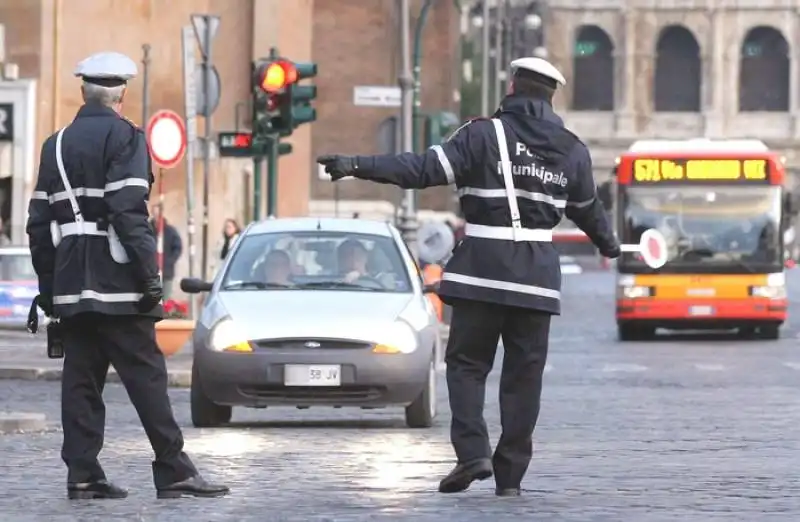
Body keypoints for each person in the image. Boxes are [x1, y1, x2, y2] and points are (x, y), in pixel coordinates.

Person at [318, 56, 620, 497]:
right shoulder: (572, 150)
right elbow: (588, 209)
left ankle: (472, 452)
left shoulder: (481, 135)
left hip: (482, 271)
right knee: (523, 379)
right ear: (551, 95)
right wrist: (609, 243)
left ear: (513, 86)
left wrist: (355, 164)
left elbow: (420, 170)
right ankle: (511, 480)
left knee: (467, 365)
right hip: (536, 280)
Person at [26, 51, 229, 500]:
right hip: (119, 284)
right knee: (147, 378)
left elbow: (38, 224)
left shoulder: (53, 144)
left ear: (84, 91)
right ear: (122, 95)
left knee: (81, 382)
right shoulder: (127, 138)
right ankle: (174, 470)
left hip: (72, 285)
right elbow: (127, 213)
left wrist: (48, 290)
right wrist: (149, 276)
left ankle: (82, 474)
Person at [149, 204, 182, 300]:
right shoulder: (147, 230)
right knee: (153, 300)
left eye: (157, 213)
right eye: (153, 212)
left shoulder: (170, 231)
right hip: (152, 273)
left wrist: (169, 261)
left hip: (167, 272)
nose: (155, 215)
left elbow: (177, 248)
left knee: (165, 300)